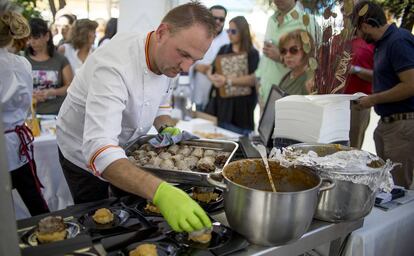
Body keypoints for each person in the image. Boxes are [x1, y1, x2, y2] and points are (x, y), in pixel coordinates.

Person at [56, 2, 216, 233]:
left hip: (124, 150)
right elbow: (99, 149)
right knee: (101, 225)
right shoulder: (114, 66)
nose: (185, 67)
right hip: (81, 151)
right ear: (162, 33)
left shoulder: (168, 58)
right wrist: (162, 192)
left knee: (135, 217)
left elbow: (161, 100)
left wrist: (165, 126)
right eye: (183, 55)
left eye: (195, 60)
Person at [353, 1, 414, 189]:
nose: (358, 36)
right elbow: (387, 77)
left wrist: (373, 99)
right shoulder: (384, 43)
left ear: (365, 26)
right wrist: (355, 70)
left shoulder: (398, 41)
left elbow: (411, 84)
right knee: (386, 186)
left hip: (402, 126)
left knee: (399, 189)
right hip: (387, 125)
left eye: (358, 31)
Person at [0, 11, 49, 216]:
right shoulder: (22, 64)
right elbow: (25, 99)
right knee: (33, 198)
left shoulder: (18, 64)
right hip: (15, 138)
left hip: (11, 138)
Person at [255, 0, 317, 109]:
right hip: (265, 94)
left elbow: (314, 59)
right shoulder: (271, 20)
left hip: (291, 96)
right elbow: (266, 57)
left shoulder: (307, 21)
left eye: (293, 50)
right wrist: (258, 81)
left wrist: (280, 56)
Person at [206, 16, 259, 135]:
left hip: (243, 111)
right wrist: (213, 79)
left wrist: (226, 80)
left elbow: (253, 79)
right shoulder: (224, 49)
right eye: (228, 30)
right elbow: (211, 70)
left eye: (233, 31)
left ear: (243, 32)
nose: (229, 34)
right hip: (223, 109)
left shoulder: (252, 53)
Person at [25, 18, 74, 115]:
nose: (32, 42)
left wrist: (52, 92)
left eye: (36, 37)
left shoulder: (61, 60)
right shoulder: (22, 60)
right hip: (29, 115)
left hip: (55, 114)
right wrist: (30, 95)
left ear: (47, 36)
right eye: (29, 38)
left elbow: (70, 86)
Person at [189, 5, 229, 111]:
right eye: (214, 18)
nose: (217, 21)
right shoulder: (196, 36)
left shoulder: (229, 40)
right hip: (199, 91)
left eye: (221, 19)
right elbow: (187, 59)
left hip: (219, 97)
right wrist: (196, 67)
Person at [344, 28, 374, 149]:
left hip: (358, 104)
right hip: (334, 101)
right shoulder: (338, 40)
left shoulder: (372, 44)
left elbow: (381, 76)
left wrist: (355, 69)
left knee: (353, 148)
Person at [277, 29, 314, 95]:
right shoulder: (287, 76)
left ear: (306, 50)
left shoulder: (311, 80)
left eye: (294, 50)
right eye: (283, 51)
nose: (287, 55)